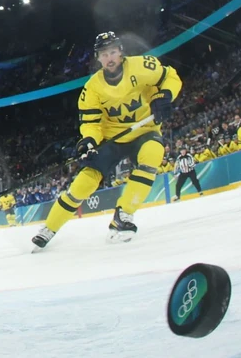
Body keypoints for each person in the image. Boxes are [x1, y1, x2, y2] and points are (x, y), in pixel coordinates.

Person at [32, 32, 181, 250]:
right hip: (112, 137)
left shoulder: (142, 66)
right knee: (85, 181)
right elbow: (91, 122)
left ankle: (123, 215)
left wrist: (165, 95)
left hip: (145, 130)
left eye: (112, 52)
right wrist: (89, 142)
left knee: (152, 155)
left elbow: (171, 77)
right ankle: (50, 227)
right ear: (98, 58)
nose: (109, 58)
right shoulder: (92, 88)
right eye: (104, 54)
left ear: (121, 52)